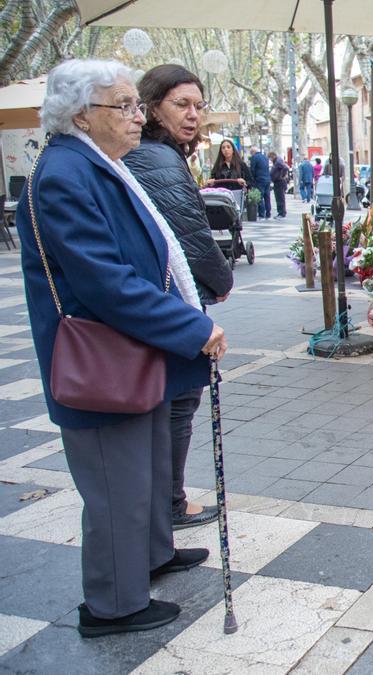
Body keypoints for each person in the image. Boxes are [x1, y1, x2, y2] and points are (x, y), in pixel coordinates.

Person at [16, 59, 226, 637]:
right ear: (81, 114)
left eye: (138, 104)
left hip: (134, 350)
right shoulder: (64, 172)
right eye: (126, 106)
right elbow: (105, 282)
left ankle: (154, 554)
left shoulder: (96, 163)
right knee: (117, 486)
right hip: (102, 358)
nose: (139, 116)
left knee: (150, 468)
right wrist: (190, 327)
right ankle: (112, 605)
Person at [124, 63, 235, 531]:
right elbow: (191, 237)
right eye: (181, 105)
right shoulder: (159, 159)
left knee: (171, 403)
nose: (193, 115)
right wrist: (222, 281)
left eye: (198, 105)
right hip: (170, 300)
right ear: (151, 108)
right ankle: (171, 502)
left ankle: (164, 503)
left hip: (159, 297)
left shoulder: (151, 154)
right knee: (180, 401)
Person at [248, 145, 271, 218]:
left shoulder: (254, 158)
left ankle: (261, 214)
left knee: (260, 197)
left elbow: (252, 170)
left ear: (253, 152)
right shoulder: (265, 157)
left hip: (259, 179)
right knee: (267, 197)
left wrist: (252, 180)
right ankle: (268, 213)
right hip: (267, 179)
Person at [268, 151, 289, 219]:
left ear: (273, 156)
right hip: (278, 181)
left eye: (270, 158)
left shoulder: (278, 161)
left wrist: (281, 176)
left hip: (279, 182)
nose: (270, 159)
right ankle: (281, 212)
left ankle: (281, 213)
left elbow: (285, 168)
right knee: (279, 197)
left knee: (280, 198)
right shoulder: (277, 161)